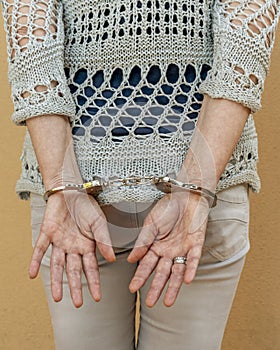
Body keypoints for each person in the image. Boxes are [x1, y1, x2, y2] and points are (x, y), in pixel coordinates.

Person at [1, 0, 279, 349]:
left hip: (82, 194)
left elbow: (32, 42)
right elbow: (244, 45)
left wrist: (64, 185)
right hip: (197, 194)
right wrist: (194, 188)